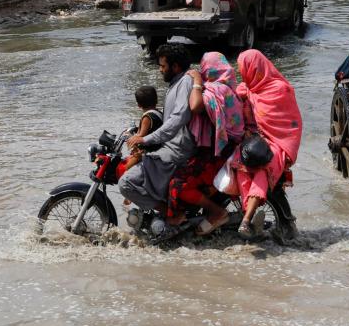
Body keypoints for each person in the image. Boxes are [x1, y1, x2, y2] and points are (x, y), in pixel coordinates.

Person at [164, 52, 245, 234]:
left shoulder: (218, 90)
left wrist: (197, 82)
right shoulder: (229, 88)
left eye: (204, 68)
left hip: (219, 154)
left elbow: (195, 106)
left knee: (178, 184)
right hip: (223, 150)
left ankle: (216, 212)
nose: (202, 71)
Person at [119, 43, 195, 225]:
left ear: (175, 66)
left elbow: (178, 119)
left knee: (126, 183)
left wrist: (145, 139)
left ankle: (171, 214)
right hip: (170, 147)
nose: (160, 70)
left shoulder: (184, 82)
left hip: (176, 151)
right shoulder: (176, 83)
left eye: (163, 66)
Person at [233, 50, 302, 240]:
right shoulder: (246, 90)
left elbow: (289, 123)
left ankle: (246, 220)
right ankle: (249, 212)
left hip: (278, 143)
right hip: (253, 143)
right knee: (239, 167)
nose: (241, 72)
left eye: (244, 68)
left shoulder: (281, 89)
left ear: (254, 68)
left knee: (262, 170)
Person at [122, 86, 163, 172]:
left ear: (139, 105)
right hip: (159, 149)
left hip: (148, 153)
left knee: (126, 170)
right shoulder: (158, 113)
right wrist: (136, 130)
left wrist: (129, 136)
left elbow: (141, 137)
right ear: (156, 100)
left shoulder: (147, 117)